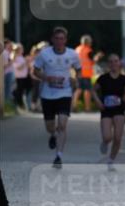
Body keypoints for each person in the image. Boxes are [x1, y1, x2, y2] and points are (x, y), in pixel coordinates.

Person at [31, 27, 81, 168]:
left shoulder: (72, 54)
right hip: (47, 94)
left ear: (65, 40)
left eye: (62, 39)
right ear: (53, 39)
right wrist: (47, 78)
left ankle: (58, 156)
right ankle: (52, 135)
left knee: (63, 125)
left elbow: (78, 69)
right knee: (50, 126)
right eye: (57, 38)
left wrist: (75, 79)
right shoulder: (44, 54)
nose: (59, 41)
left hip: (65, 93)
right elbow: (35, 71)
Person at [93, 54, 125, 168]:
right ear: (108, 64)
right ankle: (105, 142)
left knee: (118, 138)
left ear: (119, 63)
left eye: (116, 61)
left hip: (119, 109)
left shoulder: (123, 79)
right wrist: (98, 102)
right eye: (111, 61)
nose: (113, 64)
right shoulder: (103, 78)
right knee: (107, 137)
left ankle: (111, 160)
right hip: (106, 110)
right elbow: (93, 90)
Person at [73, 35, 95, 112]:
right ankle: (87, 108)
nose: (91, 43)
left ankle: (73, 106)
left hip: (78, 73)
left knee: (78, 90)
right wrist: (97, 58)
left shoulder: (77, 49)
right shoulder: (89, 50)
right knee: (87, 91)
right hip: (86, 73)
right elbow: (92, 62)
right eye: (90, 42)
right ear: (88, 42)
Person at [12, 45, 32, 111]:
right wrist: (25, 62)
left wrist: (28, 63)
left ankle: (20, 103)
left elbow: (26, 66)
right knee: (19, 91)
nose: (23, 50)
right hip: (19, 76)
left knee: (22, 90)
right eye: (21, 49)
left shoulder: (21, 57)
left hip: (24, 76)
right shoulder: (15, 57)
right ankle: (18, 103)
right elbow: (18, 67)